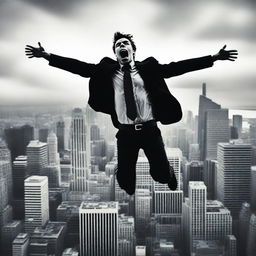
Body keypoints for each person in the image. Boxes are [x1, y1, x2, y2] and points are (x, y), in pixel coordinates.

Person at [25, 32, 238, 195]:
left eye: (125, 43)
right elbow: (79, 67)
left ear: (133, 50)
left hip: (150, 130)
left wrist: (214, 58)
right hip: (126, 133)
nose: (122, 46)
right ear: (115, 53)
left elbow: (178, 67)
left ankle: (168, 173)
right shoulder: (106, 70)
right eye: (118, 45)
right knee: (126, 183)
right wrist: (47, 56)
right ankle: (127, 179)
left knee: (161, 175)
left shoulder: (150, 67)